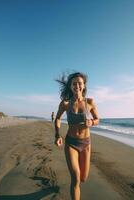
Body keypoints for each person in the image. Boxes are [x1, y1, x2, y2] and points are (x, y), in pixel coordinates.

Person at [54, 72, 99, 200]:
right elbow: (57, 118)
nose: (77, 86)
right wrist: (57, 135)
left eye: (80, 83)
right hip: (71, 143)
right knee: (76, 178)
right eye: (74, 83)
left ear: (84, 86)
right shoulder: (65, 103)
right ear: (70, 86)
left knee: (83, 178)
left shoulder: (90, 102)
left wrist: (91, 122)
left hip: (86, 144)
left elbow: (97, 119)